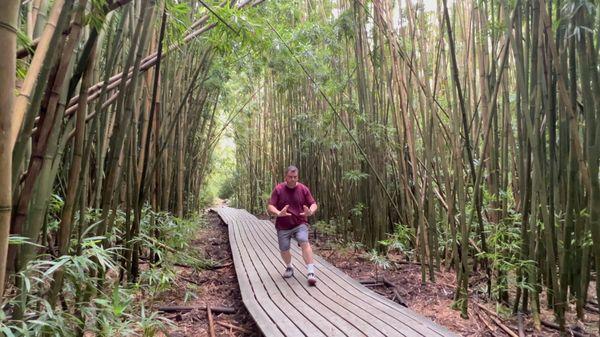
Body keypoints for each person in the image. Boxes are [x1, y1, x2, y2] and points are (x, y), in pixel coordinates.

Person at [267, 166, 318, 286]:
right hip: (283, 225)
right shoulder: (279, 189)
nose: (293, 179)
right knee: (284, 249)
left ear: (298, 177)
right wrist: (278, 213)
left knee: (303, 240)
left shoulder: (303, 189)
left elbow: (313, 203)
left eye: (295, 177)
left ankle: (311, 272)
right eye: (290, 177)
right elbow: (270, 206)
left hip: (299, 223)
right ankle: (289, 267)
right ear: (286, 177)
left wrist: (310, 211)